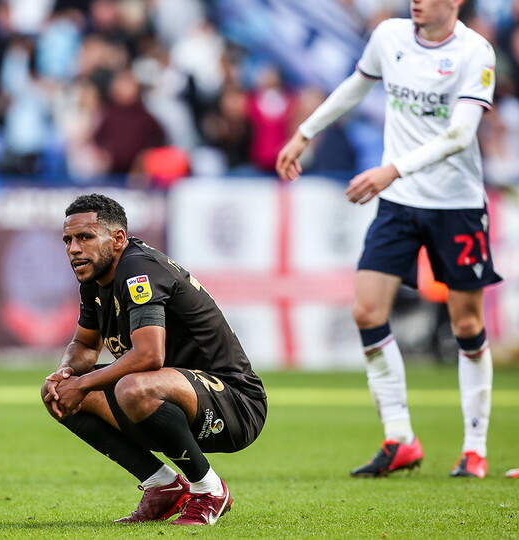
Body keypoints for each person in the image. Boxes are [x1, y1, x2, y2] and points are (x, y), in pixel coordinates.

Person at [276, 0, 500, 478]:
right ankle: (400, 437)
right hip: (400, 201)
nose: (416, 1)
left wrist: (390, 169)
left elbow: (461, 135)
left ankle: (475, 447)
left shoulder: (474, 53)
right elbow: (357, 84)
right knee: (367, 311)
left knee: (466, 326)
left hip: (456, 205)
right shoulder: (389, 37)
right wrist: (305, 132)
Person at [41, 193, 267, 526]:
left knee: (134, 387)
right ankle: (161, 485)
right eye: (68, 240)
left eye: (85, 237)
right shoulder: (94, 277)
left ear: (118, 239)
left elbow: (149, 355)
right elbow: (85, 344)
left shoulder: (138, 267)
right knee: (60, 393)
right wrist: (65, 374)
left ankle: (209, 490)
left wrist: (84, 382)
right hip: (173, 393)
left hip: (235, 401)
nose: (74, 248)